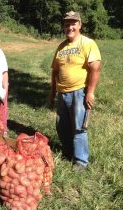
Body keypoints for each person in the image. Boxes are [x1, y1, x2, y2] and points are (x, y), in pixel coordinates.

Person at [49, 11, 101, 171]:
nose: (70, 27)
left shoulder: (87, 43)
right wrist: (52, 92)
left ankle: (81, 161)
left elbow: (95, 68)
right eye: (67, 24)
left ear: (80, 25)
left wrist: (90, 92)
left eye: (73, 23)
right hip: (62, 93)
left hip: (79, 92)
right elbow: (55, 71)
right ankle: (67, 152)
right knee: (62, 125)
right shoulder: (61, 47)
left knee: (78, 127)